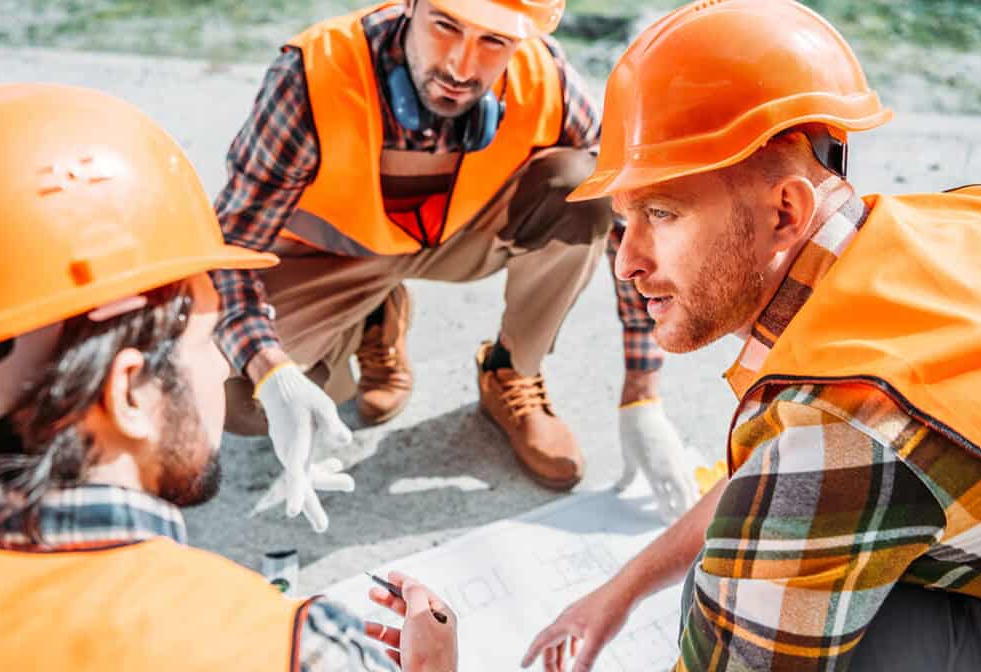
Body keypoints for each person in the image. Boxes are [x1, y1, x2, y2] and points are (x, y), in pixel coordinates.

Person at [521, 0, 981, 672]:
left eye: (661, 212)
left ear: (785, 210)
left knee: (727, 599)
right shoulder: (950, 222)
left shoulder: (842, 424)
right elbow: (792, 479)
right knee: (735, 570)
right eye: (625, 218)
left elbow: (819, 468)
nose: (626, 261)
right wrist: (621, 589)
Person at [0, 83, 457, 672]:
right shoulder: (292, 654)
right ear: (130, 394)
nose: (225, 366)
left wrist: (273, 369)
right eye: (207, 342)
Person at [214, 0, 697, 530]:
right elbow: (231, 250)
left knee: (583, 186)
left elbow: (632, 217)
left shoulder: (547, 76)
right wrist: (273, 372)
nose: (462, 68)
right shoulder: (310, 76)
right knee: (243, 401)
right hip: (336, 253)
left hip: (459, 237)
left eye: (494, 41)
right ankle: (372, 315)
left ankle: (509, 372)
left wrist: (642, 398)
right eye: (446, 26)